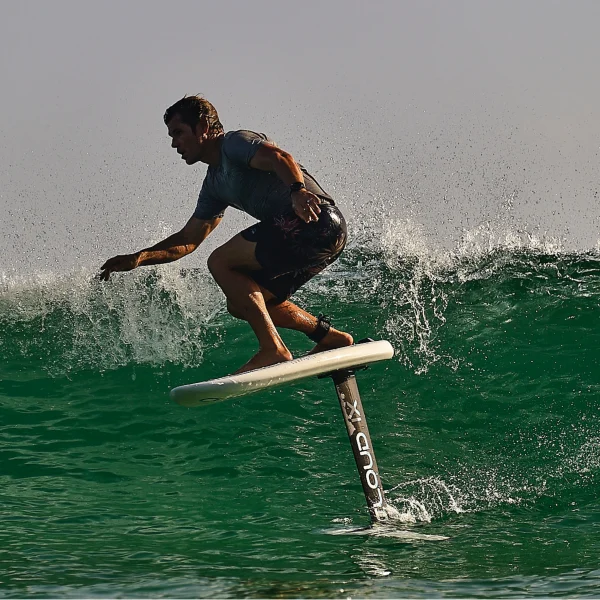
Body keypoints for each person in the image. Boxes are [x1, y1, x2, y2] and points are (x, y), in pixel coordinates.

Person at [100, 95, 353, 373]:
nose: (174, 144)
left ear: (202, 127)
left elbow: (280, 157)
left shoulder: (235, 144)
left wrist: (297, 191)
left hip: (315, 219)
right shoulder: (214, 184)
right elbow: (189, 240)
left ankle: (273, 350)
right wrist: (140, 258)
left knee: (220, 262)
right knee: (242, 302)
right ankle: (329, 337)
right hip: (323, 237)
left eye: (179, 133)